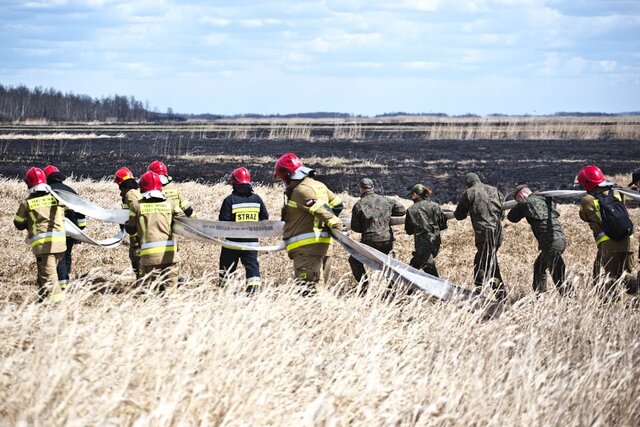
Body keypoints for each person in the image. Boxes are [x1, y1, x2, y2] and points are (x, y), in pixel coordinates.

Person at [274, 152, 345, 295]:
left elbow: (320, 210)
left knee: (308, 291)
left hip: (307, 250)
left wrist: (335, 224)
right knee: (321, 288)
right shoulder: (319, 185)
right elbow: (337, 205)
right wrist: (325, 225)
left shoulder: (301, 190)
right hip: (324, 246)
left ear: (287, 175)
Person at [576, 165, 636, 296]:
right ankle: (636, 300)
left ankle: (613, 306)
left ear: (587, 183)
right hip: (628, 242)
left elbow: (584, 216)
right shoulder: (616, 193)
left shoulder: (588, 200)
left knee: (612, 278)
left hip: (609, 245)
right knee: (626, 275)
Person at [125, 171, 184, 291]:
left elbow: (130, 229)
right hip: (171, 257)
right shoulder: (171, 204)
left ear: (142, 188)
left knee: (148, 293)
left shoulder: (136, 206)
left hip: (148, 258)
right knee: (170, 295)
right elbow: (183, 221)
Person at [13, 167, 66, 302]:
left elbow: (18, 223)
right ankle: (43, 301)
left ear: (28, 184)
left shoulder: (27, 203)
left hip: (44, 247)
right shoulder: (56, 197)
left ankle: (58, 307)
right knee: (44, 274)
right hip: (60, 245)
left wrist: (30, 222)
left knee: (49, 278)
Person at [507, 184, 569, 296]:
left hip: (550, 243)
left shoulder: (525, 203)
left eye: (518, 199)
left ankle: (571, 299)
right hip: (560, 239)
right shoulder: (545, 198)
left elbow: (512, 218)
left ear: (521, 195)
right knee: (539, 267)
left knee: (558, 274)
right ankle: (540, 296)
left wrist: (519, 204)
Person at [453, 172, 507, 300]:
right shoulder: (495, 190)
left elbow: (459, 215)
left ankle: (500, 295)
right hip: (497, 233)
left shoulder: (470, 193)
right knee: (481, 261)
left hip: (484, 233)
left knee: (490, 264)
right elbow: (502, 214)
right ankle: (478, 290)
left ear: (467, 183)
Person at [348, 177, 406, 295]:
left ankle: (364, 287)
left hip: (369, 241)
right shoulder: (386, 200)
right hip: (386, 240)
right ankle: (391, 290)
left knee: (354, 260)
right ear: (373, 188)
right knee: (388, 264)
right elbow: (402, 210)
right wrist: (386, 214)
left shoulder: (358, 205)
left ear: (360, 189)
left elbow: (355, 228)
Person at [218, 167, 269, 294]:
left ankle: (225, 292)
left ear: (234, 183)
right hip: (251, 242)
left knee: (227, 268)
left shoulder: (230, 200)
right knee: (252, 267)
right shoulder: (256, 199)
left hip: (232, 243)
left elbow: (223, 221)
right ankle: (253, 292)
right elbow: (265, 217)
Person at [44, 164, 86, 290]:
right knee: (67, 254)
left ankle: (62, 283)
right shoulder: (70, 190)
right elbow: (81, 210)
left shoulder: (47, 192)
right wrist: (80, 228)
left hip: (56, 229)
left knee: (59, 255)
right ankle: (65, 278)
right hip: (72, 229)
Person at [404, 184, 448, 277]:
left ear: (416, 194)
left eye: (412, 195)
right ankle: (409, 290)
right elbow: (443, 225)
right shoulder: (435, 206)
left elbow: (409, 230)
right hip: (435, 242)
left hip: (422, 244)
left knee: (429, 269)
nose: (411, 197)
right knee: (414, 265)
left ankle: (440, 289)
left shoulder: (411, 210)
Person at [114, 167, 142, 279]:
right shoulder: (132, 192)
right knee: (135, 256)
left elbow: (135, 212)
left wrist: (129, 226)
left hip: (137, 231)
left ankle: (143, 281)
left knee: (136, 256)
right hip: (136, 229)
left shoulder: (130, 195)